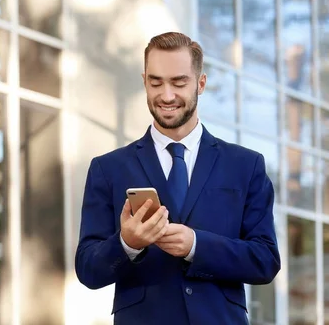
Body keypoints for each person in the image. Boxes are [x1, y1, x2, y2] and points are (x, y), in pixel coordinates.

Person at [75, 32, 280, 324]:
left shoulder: (246, 165)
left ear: (201, 83)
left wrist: (197, 245)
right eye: (156, 82)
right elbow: (87, 269)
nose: (167, 95)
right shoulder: (108, 169)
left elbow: (265, 260)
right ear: (144, 81)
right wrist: (127, 243)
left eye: (179, 82)